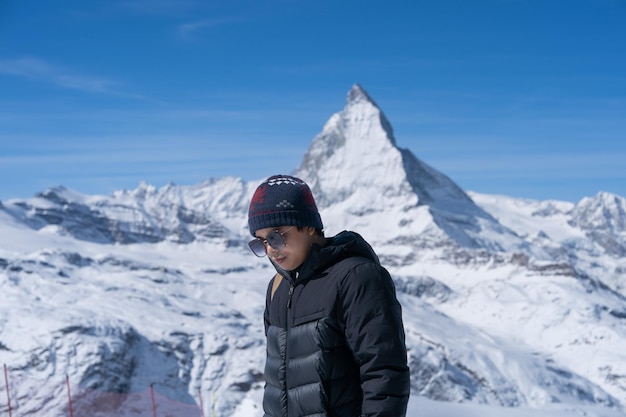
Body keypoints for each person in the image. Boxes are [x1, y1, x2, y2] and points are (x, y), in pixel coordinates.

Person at [247, 174, 410, 417]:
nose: (270, 250)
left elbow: (384, 375)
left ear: (309, 226)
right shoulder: (277, 288)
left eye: (276, 236)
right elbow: (278, 383)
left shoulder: (356, 277)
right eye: (261, 242)